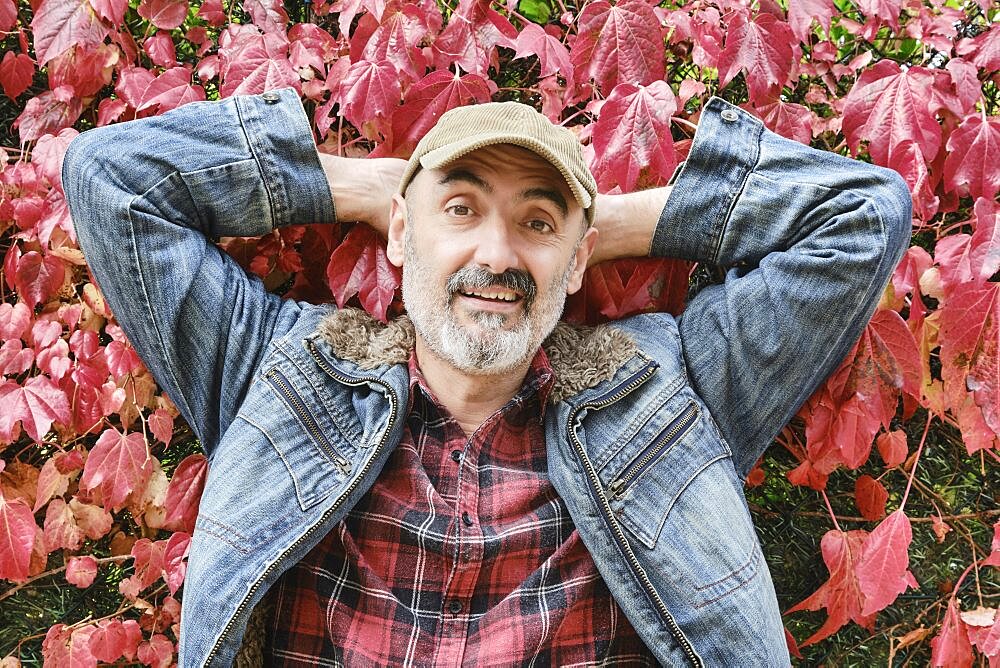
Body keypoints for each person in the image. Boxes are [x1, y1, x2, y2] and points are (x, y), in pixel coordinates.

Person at [62, 88, 911, 667]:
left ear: (579, 256)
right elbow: (112, 181)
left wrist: (597, 225)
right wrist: (368, 187)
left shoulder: (675, 389)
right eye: (460, 209)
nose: (498, 256)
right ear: (400, 232)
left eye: (535, 221)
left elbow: (865, 217)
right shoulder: (273, 373)